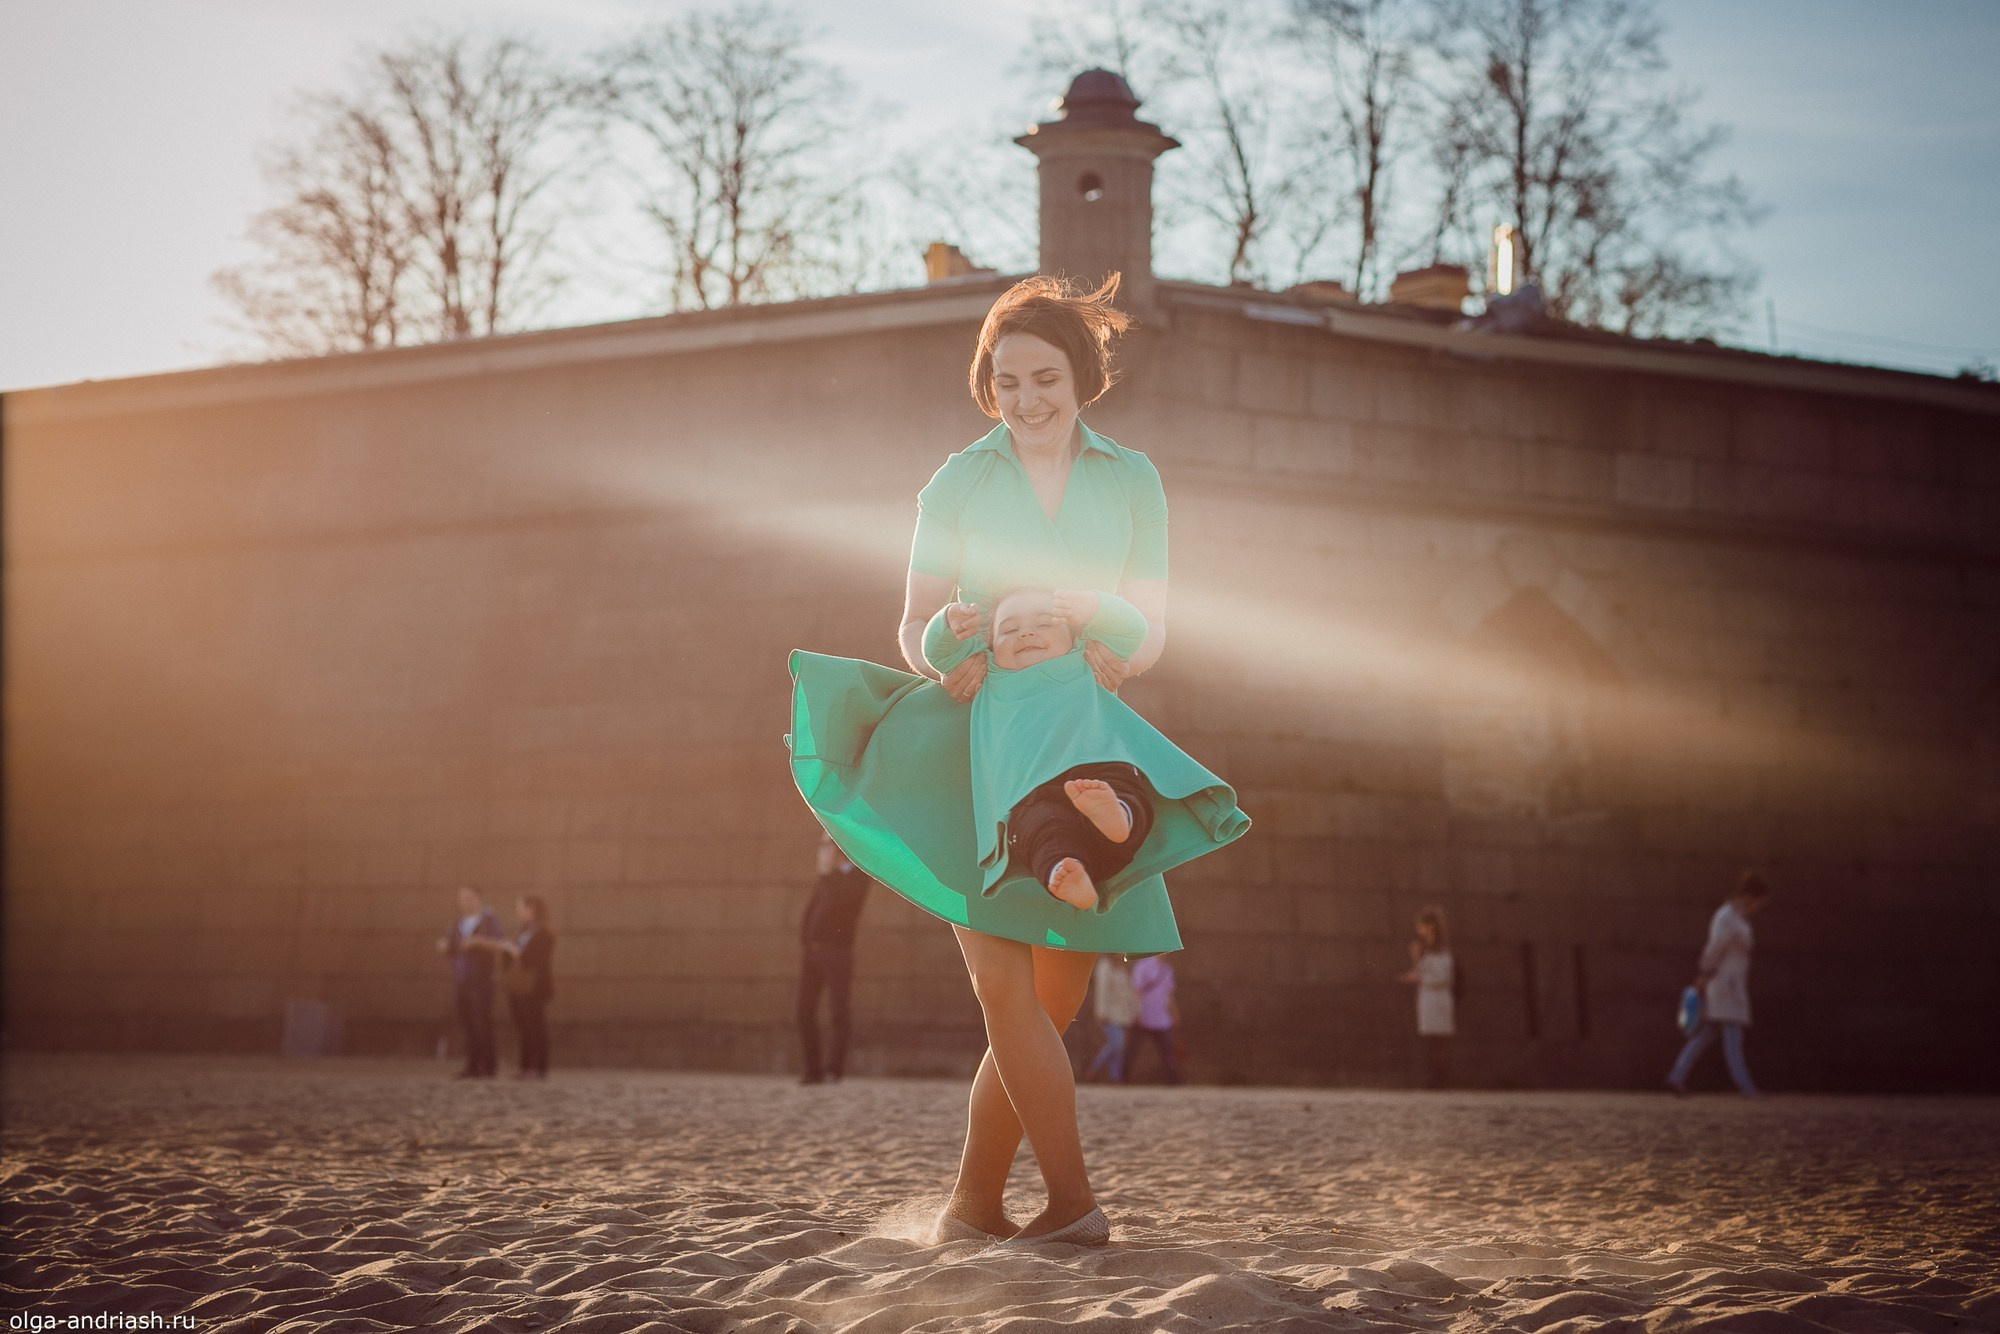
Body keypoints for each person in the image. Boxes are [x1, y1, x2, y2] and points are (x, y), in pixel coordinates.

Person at [788, 274, 1240, 1248]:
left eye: (1043, 377)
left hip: (1081, 737)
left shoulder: (1132, 478)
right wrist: (944, 646)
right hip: (972, 743)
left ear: (1079, 375)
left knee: (1051, 999)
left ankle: (970, 1204)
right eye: (1005, 381)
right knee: (1004, 991)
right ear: (986, 384)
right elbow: (911, 627)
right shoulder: (955, 481)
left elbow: (1152, 626)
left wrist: (1113, 634)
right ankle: (1074, 1203)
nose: (1026, 399)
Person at [1667, 871, 1772, 1098]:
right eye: (1758, 902)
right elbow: (1716, 947)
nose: (1758, 907)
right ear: (1748, 896)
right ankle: (1746, 1087)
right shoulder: (1727, 917)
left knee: (1706, 1034)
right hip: (1726, 984)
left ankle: (1676, 1077)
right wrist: (1704, 971)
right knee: (1733, 1036)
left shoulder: (1735, 918)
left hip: (1728, 982)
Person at [797, 835, 873, 1084]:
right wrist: (805, 942)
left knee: (839, 1011)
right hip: (813, 952)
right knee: (804, 1010)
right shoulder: (827, 877)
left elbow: (840, 903)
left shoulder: (858, 876)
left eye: (828, 845)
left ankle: (834, 1069)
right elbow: (813, 909)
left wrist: (827, 875)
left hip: (838, 952)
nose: (824, 851)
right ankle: (813, 1069)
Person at [470, 895, 556, 1079]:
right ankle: (525, 1066)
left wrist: (515, 952)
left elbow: (536, 960)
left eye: (521, 908)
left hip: (535, 987)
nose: (518, 912)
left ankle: (539, 1067)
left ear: (532, 909)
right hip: (518, 986)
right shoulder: (524, 931)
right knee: (523, 1026)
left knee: (535, 1026)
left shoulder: (544, 934)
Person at [435, 885, 504, 1079]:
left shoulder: (489, 921)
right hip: (460, 979)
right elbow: (449, 945)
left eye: (470, 898)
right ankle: (472, 1064)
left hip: (481, 979)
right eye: (462, 898)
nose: (466, 901)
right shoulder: (457, 923)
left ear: (478, 899)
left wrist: (479, 942)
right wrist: (443, 946)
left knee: (482, 1022)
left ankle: (489, 1066)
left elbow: (500, 943)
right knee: (466, 1023)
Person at [1399, 907, 1456, 1087]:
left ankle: (1441, 1080)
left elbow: (1443, 978)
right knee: (1433, 1041)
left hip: (1437, 999)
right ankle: (1436, 1079)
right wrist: (1415, 958)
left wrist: (1420, 978)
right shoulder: (1430, 950)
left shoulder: (1441, 951)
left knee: (1439, 1041)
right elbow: (1421, 971)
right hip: (1429, 999)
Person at [1120, 954, 1182, 1084]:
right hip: (1143, 1015)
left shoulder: (1167, 969)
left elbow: (1168, 994)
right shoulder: (1142, 966)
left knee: (1167, 1051)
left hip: (1161, 1017)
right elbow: (1136, 991)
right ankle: (1122, 1077)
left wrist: (1174, 1012)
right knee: (1132, 1049)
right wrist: (1136, 1012)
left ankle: (1172, 1078)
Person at [1084, 955, 1139, 1083]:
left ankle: (1115, 1077)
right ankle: (1094, 1069)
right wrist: (1101, 1011)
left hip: (1122, 1014)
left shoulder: (1123, 968)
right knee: (1117, 1043)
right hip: (1109, 1013)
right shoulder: (1105, 967)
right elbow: (1101, 990)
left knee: (1120, 1047)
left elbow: (1129, 992)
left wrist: (1135, 1010)